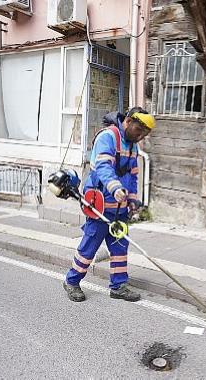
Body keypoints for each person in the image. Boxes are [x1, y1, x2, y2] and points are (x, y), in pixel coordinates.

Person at [63, 107, 155, 302]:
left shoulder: (133, 146)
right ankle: (72, 281)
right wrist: (115, 187)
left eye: (144, 134)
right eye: (139, 131)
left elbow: (132, 175)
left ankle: (118, 286)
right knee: (89, 248)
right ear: (128, 122)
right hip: (100, 206)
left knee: (120, 248)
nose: (140, 136)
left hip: (119, 210)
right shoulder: (108, 137)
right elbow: (103, 166)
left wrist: (131, 200)